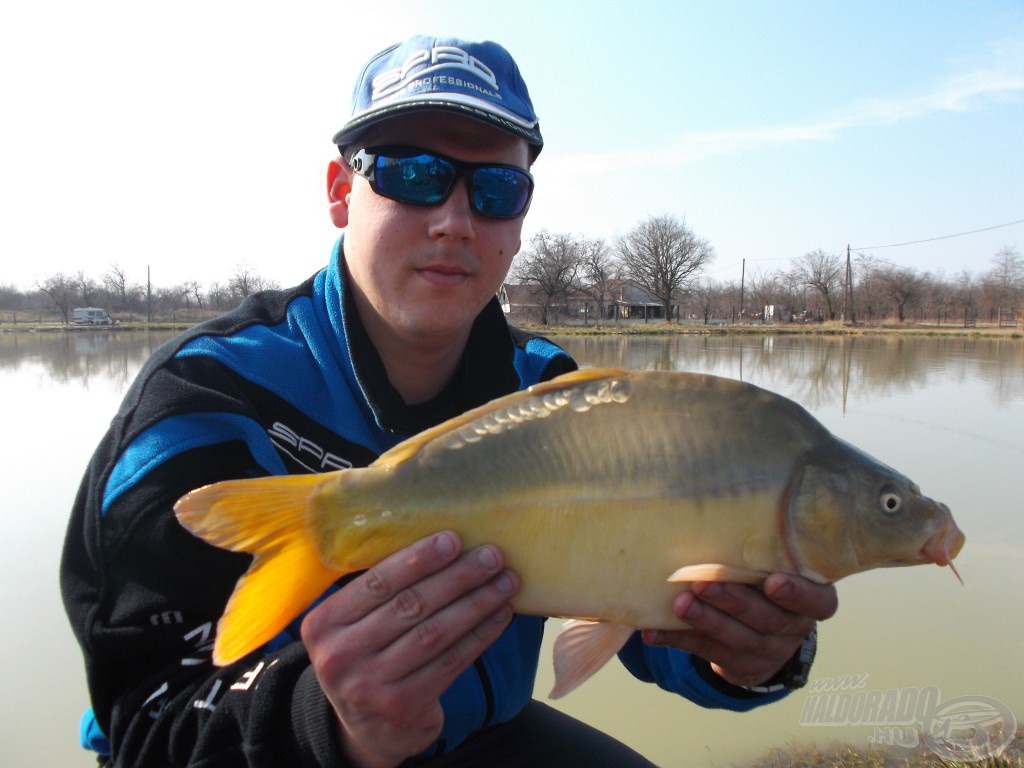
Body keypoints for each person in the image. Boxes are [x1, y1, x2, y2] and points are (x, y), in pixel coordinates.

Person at [61, 35, 838, 767]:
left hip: (473, 737)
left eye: (496, 190)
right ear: (341, 191)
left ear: (522, 220)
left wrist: (751, 652)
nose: (454, 221)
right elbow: (142, 718)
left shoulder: (554, 395)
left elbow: (640, 616)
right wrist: (325, 722)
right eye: (410, 174)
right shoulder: (203, 401)